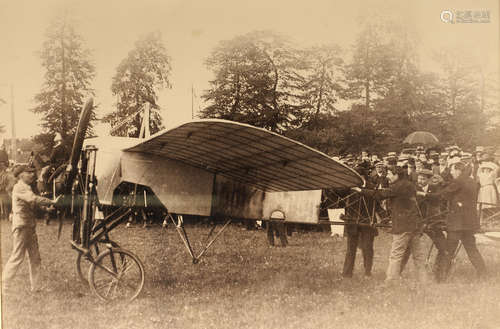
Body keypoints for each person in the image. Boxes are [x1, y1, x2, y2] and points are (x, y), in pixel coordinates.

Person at [353, 166, 429, 284]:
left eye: (389, 174)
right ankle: (424, 280)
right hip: (415, 225)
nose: (387, 176)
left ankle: (391, 281)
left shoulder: (397, 187)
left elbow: (380, 194)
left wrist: (361, 191)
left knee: (396, 254)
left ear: (396, 175)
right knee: (418, 255)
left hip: (403, 225)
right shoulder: (409, 184)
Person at [2, 165, 61, 293]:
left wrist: (47, 208)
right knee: (17, 257)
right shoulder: (19, 187)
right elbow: (33, 199)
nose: (32, 175)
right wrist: (51, 201)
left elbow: (32, 204)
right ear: (21, 175)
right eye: (29, 173)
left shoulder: (26, 187)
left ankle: (36, 288)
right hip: (22, 226)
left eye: (33, 173)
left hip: (29, 226)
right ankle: (4, 286)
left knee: (35, 258)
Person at [437, 160, 486, 280]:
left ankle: (441, 278)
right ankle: (483, 274)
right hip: (469, 224)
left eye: (453, 170)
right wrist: (444, 183)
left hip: (457, 224)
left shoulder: (458, 181)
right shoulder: (472, 181)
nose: (452, 173)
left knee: (449, 251)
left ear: (459, 170)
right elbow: (457, 190)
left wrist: (424, 194)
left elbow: (444, 194)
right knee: (472, 249)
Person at [405, 169, 448, 282]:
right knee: (408, 248)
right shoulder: (413, 189)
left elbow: (438, 197)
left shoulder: (434, 189)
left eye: (424, 179)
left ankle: (439, 274)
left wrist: (424, 194)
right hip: (418, 223)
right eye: (419, 178)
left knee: (444, 248)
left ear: (429, 180)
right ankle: (396, 274)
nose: (420, 181)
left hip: (433, 223)